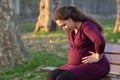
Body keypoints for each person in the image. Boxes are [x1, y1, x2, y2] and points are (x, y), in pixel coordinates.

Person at [46, 6, 110, 80]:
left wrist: (98, 56)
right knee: (51, 76)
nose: (63, 29)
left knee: (63, 78)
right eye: (61, 27)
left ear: (70, 19)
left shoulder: (87, 26)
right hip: (75, 66)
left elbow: (99, 40)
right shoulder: (71, 30)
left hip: (94, 66)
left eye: (64, 25)